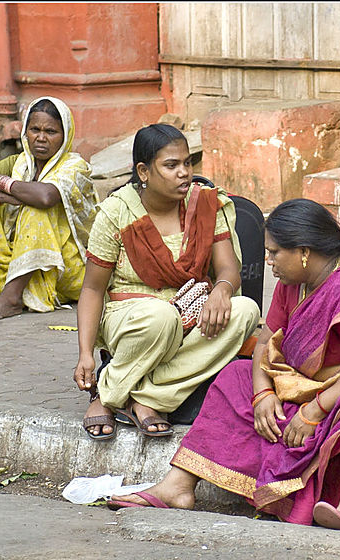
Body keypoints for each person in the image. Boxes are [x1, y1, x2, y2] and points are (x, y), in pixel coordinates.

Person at [109, 198, 340, 532]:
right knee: (236, 375)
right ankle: (177, 486)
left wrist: (313, 411)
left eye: (274, 253)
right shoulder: (296, 281)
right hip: (320, 387)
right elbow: (267, 343)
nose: (269, 261)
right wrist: (262, 394)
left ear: (303, 251)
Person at [73, 124, 261, 441]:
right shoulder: (117, 212)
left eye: (187, 163)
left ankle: (142, 399)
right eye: (171, 165)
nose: (184, 173)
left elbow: (228, 268)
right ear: (144, 171)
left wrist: (222, 290)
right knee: (162, 316)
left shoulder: (205, 204)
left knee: (244, 310)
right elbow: (92, 289)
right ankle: (106, 395)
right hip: (134, 318)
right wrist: (86, 354)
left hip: (191, 312)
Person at [0, 96, 99, 319]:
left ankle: (12, 298)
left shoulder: (75, 166)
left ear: (65, 136)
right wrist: (0, 197)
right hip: (17, 259)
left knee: (35, 209)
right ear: (25, 132)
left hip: (67, 268)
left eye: (51, 132)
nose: (40, 138)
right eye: (35, 130)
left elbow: (46, 196)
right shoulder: (19, 162)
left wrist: (5, 183)